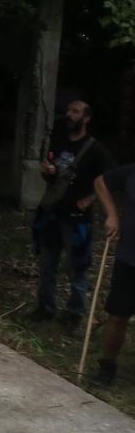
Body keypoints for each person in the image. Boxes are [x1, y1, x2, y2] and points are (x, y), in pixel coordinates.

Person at [31, 97, 112, 328]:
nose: (69, 115)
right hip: (52, 212)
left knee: (77, 268)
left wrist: (90, 199)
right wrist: (48, 172)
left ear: (86, 118)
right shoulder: (59, 142)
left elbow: (108, 180)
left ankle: (75, 314)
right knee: (47, 264)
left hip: (77, 219)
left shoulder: (95, 150)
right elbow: (52, 176)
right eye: (69, 111)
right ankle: (45, 307)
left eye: (75, 112)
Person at [89, 166, 132, 387]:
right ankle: (107, 367)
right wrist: (112, 215)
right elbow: (100, 182)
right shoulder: (132, 171)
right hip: (129, 258)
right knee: (117, 316)